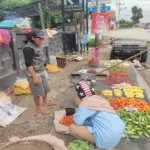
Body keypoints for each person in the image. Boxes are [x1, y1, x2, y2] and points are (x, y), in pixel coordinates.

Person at [70, 80, 125, 150]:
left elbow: (78, 121)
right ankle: (106, 143)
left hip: (107, 139)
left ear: (78, 95)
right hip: (118, 133)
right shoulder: (100, 99)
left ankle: (100, 145)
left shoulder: (85, 104)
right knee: (92, 120)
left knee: (72, 128)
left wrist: (78, 110)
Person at [23, 30, 57, 115]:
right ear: (33, 38)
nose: (41, 41)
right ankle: (38, 108)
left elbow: (41, 56)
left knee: (45, 88)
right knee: (37, 91)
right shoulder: (28, 48)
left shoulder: (39, 45)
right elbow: (28, 64)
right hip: (34, 73)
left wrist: (45, 65)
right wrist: (34, 77)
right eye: (40, 39)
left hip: (41, 71)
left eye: (42, 39)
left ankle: (45, 102)